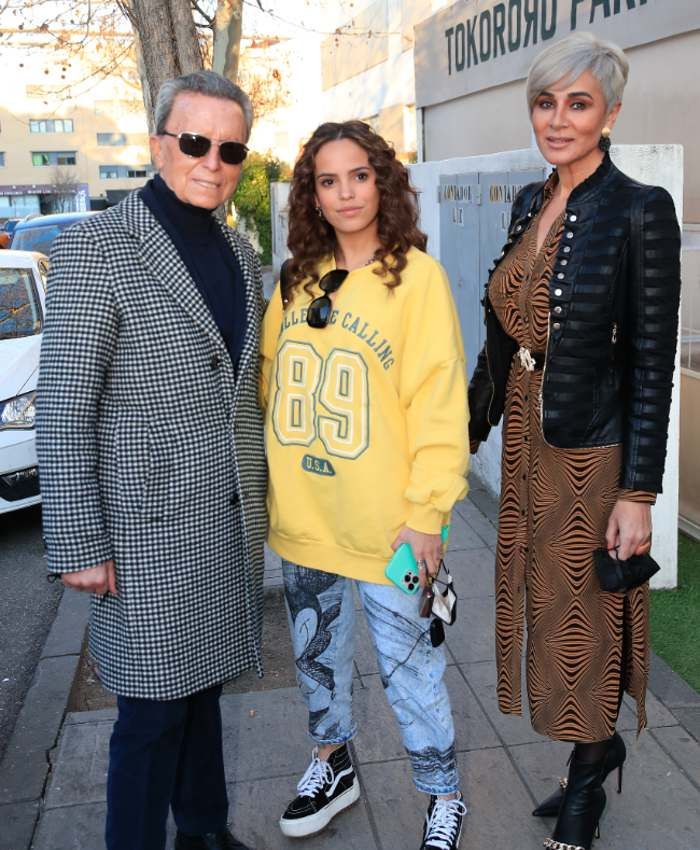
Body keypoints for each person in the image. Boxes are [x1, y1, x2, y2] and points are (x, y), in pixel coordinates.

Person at [35, 70, 267, 850]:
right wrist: (79, 542)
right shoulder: (98, 247)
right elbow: (65, 408)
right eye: (194, 141)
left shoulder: (242, 252)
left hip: (222, 519)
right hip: (142, 535)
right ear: (158, 141)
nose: (212, 161)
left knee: (201, 695)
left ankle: (205, 833)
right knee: (149, 718)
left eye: (230, 148)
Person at [468, 32, 681, 850]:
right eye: (545, 102)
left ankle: (588, 783)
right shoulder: (532, 198)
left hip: (589, 448)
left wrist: (639, 492)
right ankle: (592, 748)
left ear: (612, 113)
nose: (557, 119)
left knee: (586, 615)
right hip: (527, 435)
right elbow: (503, 320)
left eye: (578, 103)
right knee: (548, 606)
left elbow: (653, 361)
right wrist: (473, 421)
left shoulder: (639, 209)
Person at [260, 121, 469, 849]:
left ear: (383, 181)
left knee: (413, 671)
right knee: (317, 662)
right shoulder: (293, 282)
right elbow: (263, 387)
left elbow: (442, 409)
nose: (345, 192)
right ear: (310, 195)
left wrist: (427, 517)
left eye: (359, 175)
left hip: (392, 531)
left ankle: (442, 796)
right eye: (327, 179)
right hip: (307, 521)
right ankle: (332, 764)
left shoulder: (417, 279)